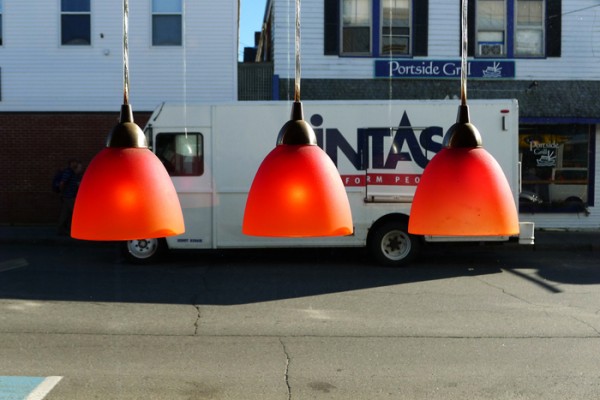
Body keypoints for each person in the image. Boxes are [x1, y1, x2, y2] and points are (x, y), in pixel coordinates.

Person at [57, 159, 83, 236]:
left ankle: (62, 229)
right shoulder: (68, 172)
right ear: (71, 163)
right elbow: (62, 183)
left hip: (69, 196)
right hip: (69, 197)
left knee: (65, 213)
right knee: (75, 213)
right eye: (75, 163)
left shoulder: (73, 174)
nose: (76, 164)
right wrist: (62, 192)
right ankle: (70, 229)